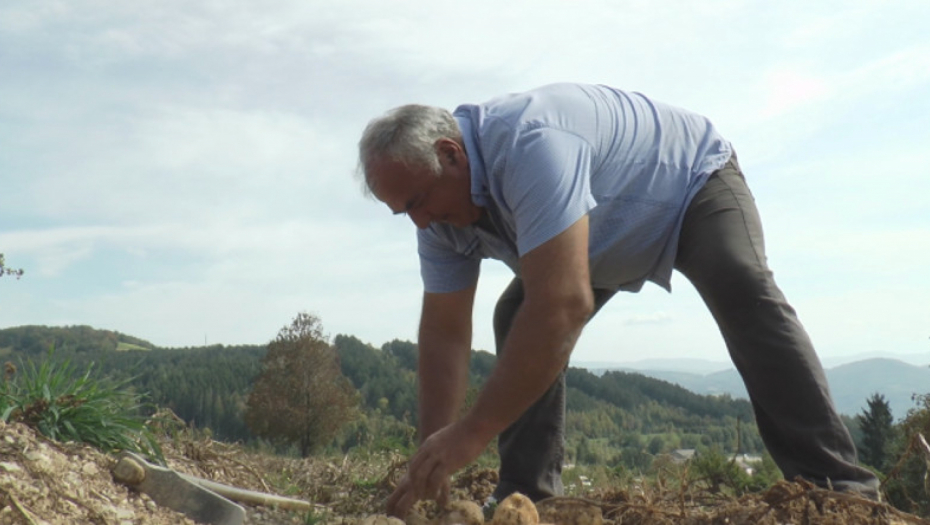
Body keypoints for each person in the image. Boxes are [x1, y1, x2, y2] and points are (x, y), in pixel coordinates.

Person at [356, 83, 879, 517]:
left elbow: (562, 304)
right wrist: (431, 456)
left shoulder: (530, 144)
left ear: (450, 154)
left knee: (741, 284)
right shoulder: (437, 218)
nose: (420, 222)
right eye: (405, 213)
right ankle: (527, 497)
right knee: (517, 314)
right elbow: (445, 333)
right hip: (597, 229)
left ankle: (838, 491)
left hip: (686, 184)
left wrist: (473, 432)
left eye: (419, 202)